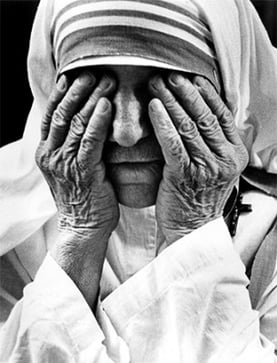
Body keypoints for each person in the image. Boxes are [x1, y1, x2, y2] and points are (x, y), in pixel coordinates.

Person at [0, 0, 277, 361]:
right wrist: (79, 234)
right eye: (96, 88)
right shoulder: (9, 221)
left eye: (158, 89)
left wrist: (195, 230)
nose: (126, 132)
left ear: (229, 91)